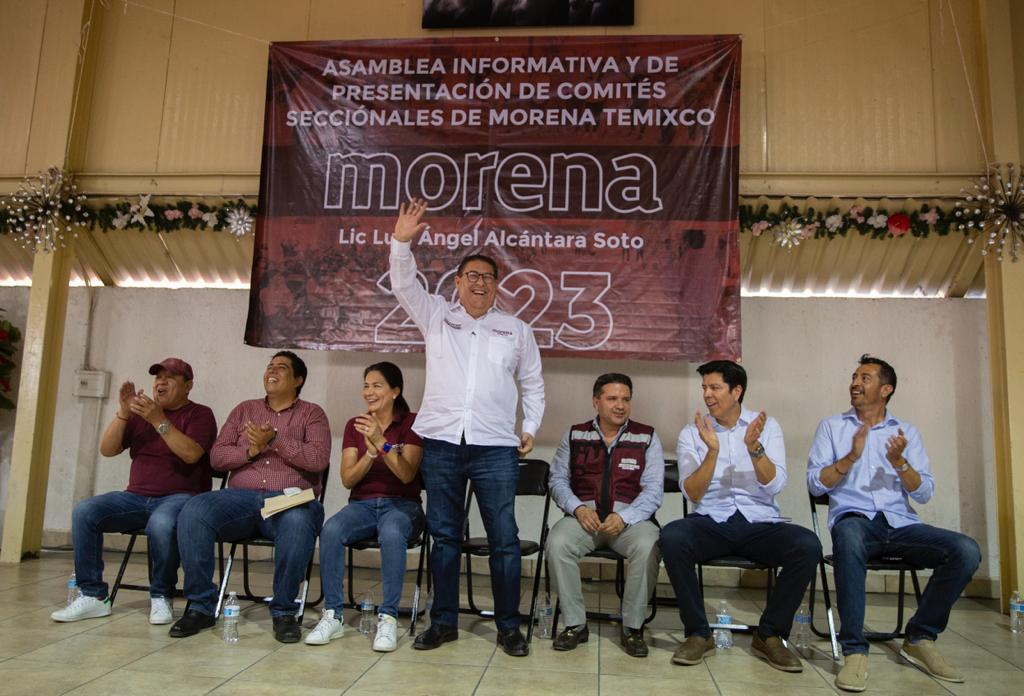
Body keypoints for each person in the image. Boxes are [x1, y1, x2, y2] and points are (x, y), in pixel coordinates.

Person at [388, 199, 545, 657]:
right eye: (471, 276)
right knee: (445, 536)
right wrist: (401, 241)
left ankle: (509, 628)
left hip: (496, 448)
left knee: (504, 540)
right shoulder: (436, 316)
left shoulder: (516, 329)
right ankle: (444, 623)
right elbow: (403, 284)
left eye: (487, 278)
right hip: (441, 445)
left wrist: (530, 426)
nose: (479, 283)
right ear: (457, 284)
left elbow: (533, 384)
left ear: (498, 287)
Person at [807, 354, 981, 692]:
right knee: (849, 538)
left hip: (901, 525)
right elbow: (816, 484)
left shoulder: (906, 433)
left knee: (965, 550)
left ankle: (920, 637)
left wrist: (900, 462)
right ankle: (855, 650)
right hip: (855, 521)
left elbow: (925, 492)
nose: (855, 383)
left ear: (886, 389)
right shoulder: (832, 427)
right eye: (854, 376)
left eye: (865, 378)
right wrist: (850, 458)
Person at [660, 360, 821, 672]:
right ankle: (697, 633)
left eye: (715, 387)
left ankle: (770, 634)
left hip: (759, 522)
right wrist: (712, 452)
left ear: (737, 391)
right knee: (672, 537)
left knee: (808, 545)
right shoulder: (692, 432)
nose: (707, 394)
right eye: (704, 387)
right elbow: (692, 493)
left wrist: (754, 449)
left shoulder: (766, 427)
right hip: (711, 522)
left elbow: (775, 484)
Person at [169, 350, 331, 643]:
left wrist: (276, 440)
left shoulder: (312, 414)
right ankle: (201, 606)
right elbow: (217, 458)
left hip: (288, 501)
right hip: (240, 501)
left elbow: (318, 459)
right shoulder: (244, 410)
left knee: (298, 521)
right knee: (194, 509)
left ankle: (283, 612)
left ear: (298, 379)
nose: (272, 371)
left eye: (281, 367)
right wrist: (251, 451)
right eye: (270, 366)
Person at [51, 358, 217, 625]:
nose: (160, 382)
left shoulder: (200, 414)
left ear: (188, 386)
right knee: (85, 511)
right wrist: (124, 413)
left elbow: (191, 454)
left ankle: (161, 595)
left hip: (181, 497)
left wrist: (158, 420)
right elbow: (107, 449)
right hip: (135, 497)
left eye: (170, 378)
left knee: (161, 524)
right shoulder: (141, 415)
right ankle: (93, 595)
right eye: (157, 378)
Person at [305, 361, 425, 652]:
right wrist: (370, 454)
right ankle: (332, 613)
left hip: (403, 506)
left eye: (377, 385)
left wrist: (382, 442)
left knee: (393, 532)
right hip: (362, 504)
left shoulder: (413, 423)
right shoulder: (353, 426)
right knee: (331, 530)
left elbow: (408, 474)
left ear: (395, 391)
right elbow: (348, 479)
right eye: (366, 385)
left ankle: (388, 618)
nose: (369, 392)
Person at [546, 373, 663, 657]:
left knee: (649, 545)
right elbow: (557, 480)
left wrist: (627, 516)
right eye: (612, 399)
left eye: (625, 399)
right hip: (583, 519)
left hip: (629, 522)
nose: (620, 405)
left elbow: (653, 490)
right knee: (557, 543)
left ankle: (632, 628)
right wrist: (577, 508)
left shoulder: (646, 436)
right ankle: (575, 624)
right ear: (596, 402)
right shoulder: (575, 434)